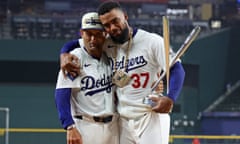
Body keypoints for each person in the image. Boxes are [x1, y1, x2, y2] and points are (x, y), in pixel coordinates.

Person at [60, 1, 185, 144]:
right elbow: (77, 43)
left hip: (149, 116)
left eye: (115, 21)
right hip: (123, 121)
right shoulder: (106, 43)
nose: (112, 28)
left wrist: (171, 98)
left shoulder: (151, 41)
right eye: (106, 25)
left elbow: (176, 69)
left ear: (125, 17)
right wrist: (64, 53)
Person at [55, 12, 119, 144]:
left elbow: (124, 83)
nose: (92, 39)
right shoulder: (73, 59)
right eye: (88, 34)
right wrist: (69, 126)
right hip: (85, 125)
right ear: (81, 33)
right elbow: (61, 94)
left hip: (113, 126)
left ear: (105, 34)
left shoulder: (112, 54)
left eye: (97, 34)